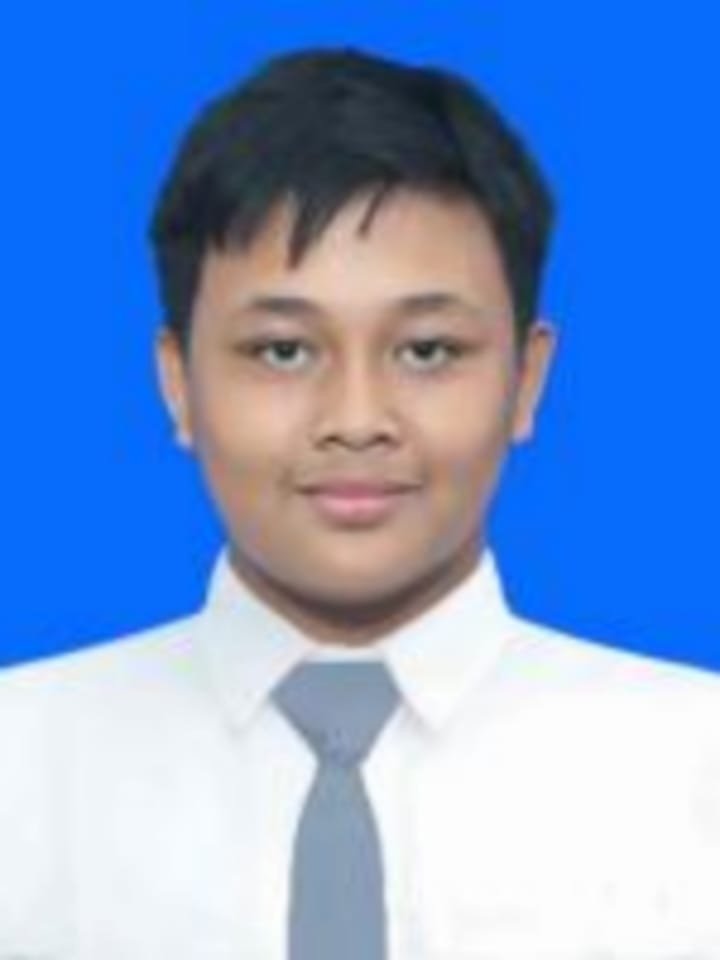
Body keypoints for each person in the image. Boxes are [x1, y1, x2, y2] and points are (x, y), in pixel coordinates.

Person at [1, 45, 720, 960]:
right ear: (178, 382)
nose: (355, 421)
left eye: (426, 351)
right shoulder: (17, 762)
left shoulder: (700, 767)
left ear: (527, 379)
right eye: (283, 351)